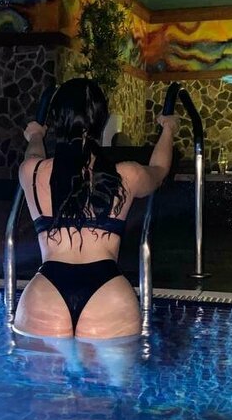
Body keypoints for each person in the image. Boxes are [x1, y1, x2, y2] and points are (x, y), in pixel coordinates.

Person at [14, 78, 180, 340]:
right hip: (108, 294)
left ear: (56, 120)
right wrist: (168, 129)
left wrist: (36, 134)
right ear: (102, 121)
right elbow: (160, 170)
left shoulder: (32, 173)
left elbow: (32, 155)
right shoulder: (126, 175)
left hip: (46, 293)